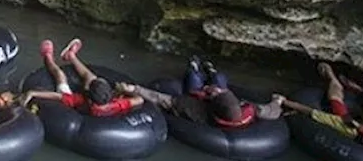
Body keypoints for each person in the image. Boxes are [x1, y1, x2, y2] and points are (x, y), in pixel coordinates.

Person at [117, 56, 282, 127]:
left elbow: (163, 99)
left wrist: (134, 89)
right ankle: (211, 71)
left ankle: (194, 67)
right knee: (219, 79)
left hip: (198, 95)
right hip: (217, 99)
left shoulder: (198, 111)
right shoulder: (248, 111)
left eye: (217, 93)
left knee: (194, 78)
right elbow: (272, 111)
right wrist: (278, 101)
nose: (217, 90)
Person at [20, 38, 144, 116]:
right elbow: (140, 100)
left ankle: (47, 57)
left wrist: (32, 93)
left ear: (87, 94)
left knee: (60, 75)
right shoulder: (116, 104)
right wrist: (125, 90)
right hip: (96, 101)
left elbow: (58, 96)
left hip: (74, 109)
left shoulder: (80, 100)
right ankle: (70, 56)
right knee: (90, 77)